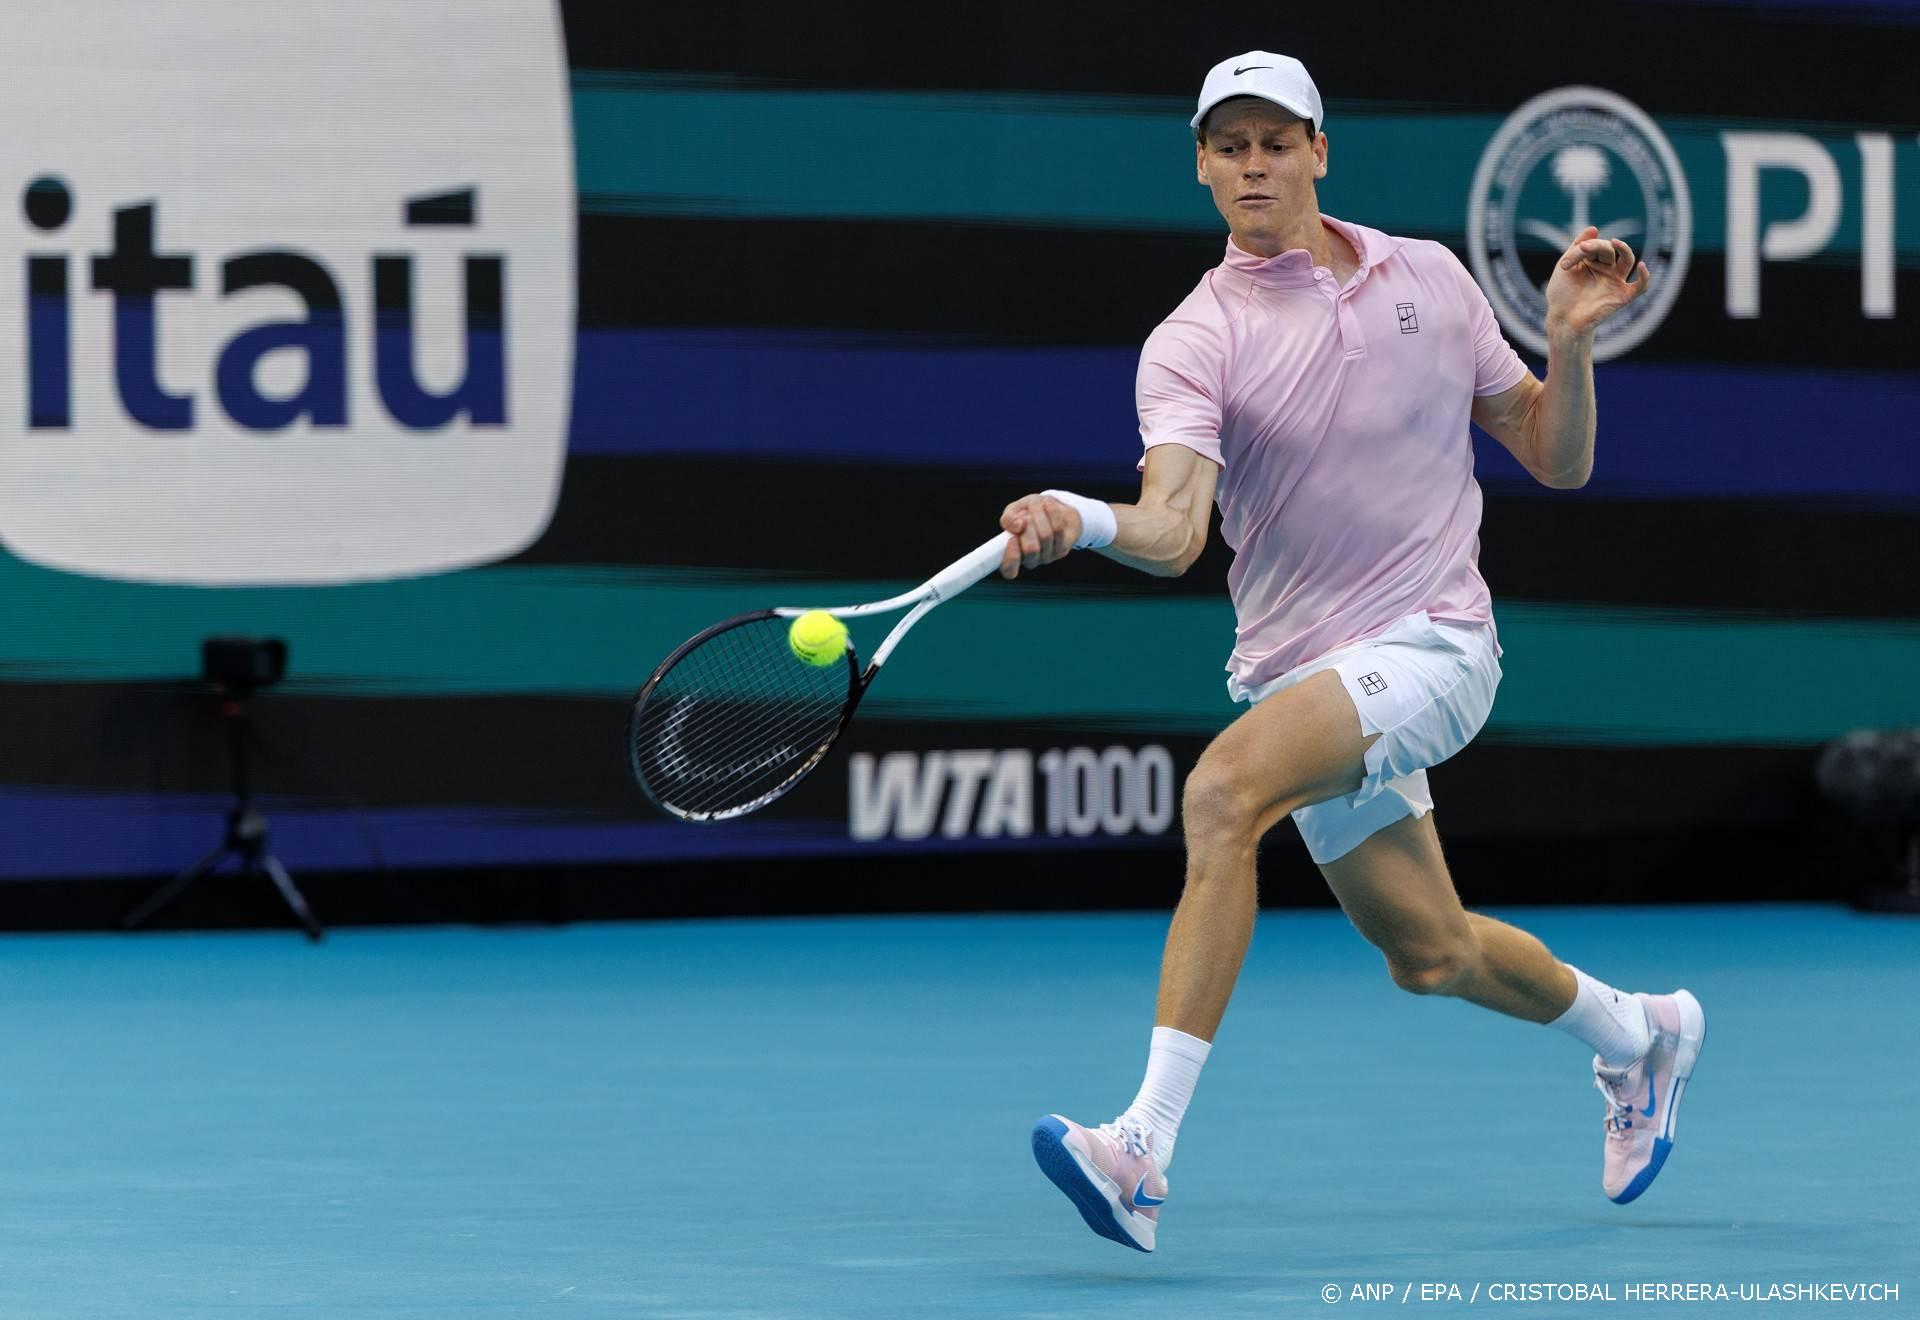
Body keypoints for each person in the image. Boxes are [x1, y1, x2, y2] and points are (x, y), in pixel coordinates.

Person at [1005, 51, 1706, 1253]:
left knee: (1224, 793)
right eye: (1230, 146)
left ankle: (1142, 1151)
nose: (1254, 164)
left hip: (1436, 644)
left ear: (1320, 152)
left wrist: (1569, 341)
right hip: (1306, 673)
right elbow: (1175, 532)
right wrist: (1087, 516)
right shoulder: (1194, 336)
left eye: (1277, 141)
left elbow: (1556, 454)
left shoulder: (1429, 278)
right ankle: (1640, 1035)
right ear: (1203, 168)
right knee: (1429, 954)